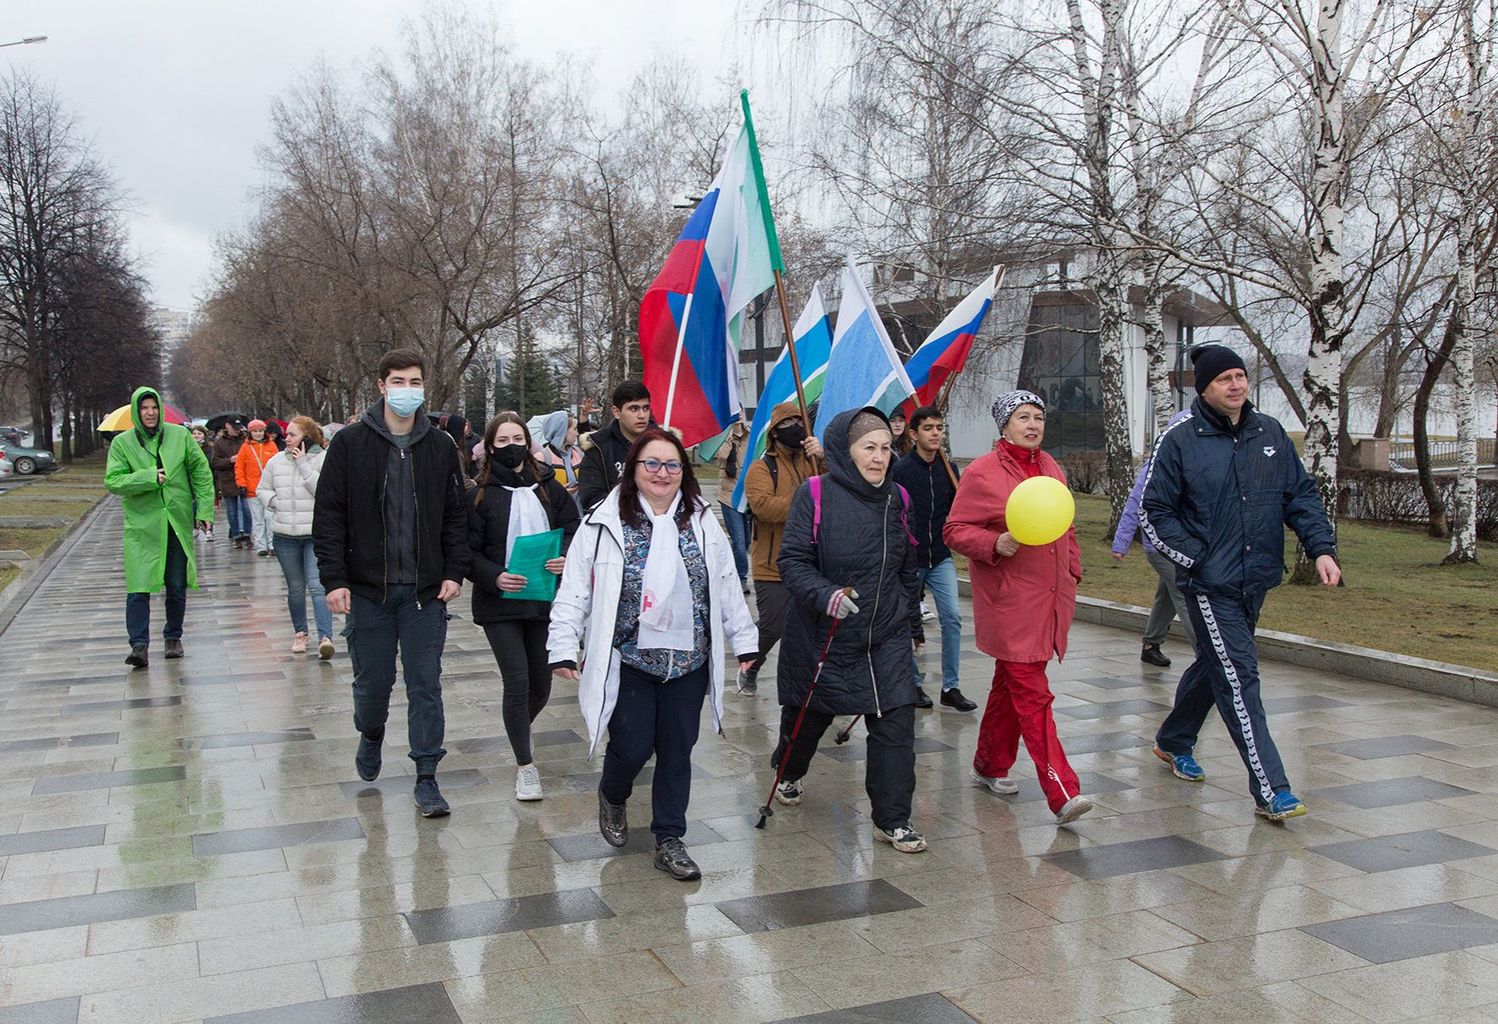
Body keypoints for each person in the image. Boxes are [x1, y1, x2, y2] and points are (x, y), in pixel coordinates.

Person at [548, 428, 758, 880]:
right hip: (630, 661)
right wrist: (562, 645)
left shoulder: (702, 521)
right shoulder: (603, 523)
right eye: (652, 464)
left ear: (683, 472)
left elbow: (724, 586)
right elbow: (574, 593)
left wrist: (745, 641)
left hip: (688, 661)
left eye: (672, 465)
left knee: (678, 750)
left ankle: (670, 838)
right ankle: (613, 791)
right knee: (632, 747)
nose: (662, 473)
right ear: (633, 470)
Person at [1142, 344, 1341, 821]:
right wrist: (1197, 560)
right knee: (1239, 677)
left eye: (1240, 376)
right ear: (1204, 388)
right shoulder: (1180, 438)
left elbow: (1300, 496)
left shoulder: (1268, 431)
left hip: (1256, 578)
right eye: (1223, 379)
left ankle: (1173, 739)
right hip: (1209, 584)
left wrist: (1322, 548)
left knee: (1220, 664)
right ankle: (1272, 790)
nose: (1235, 385)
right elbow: (1155, 512)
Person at [313, 349, 471, 818]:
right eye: (398, 381)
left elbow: (456, 517)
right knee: (373, 685)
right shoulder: (351, 443)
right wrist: (334, 579)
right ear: (381, 386)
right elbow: (329, 517)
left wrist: (453, 571)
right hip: (368, 591)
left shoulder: (441, 447)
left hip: (424, 594)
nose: (408, 389)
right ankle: (372, 731)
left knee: (425, 684)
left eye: (415, 381)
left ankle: (427, 775)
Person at [770, 407, 927, 852]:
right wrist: (827, 595)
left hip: (887, 634)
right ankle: (789, 771)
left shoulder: (899, 498)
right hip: (827, 635)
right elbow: (792, 562)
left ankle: (892, 818)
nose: (879, 457)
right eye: (868, 448)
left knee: (896, 723)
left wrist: (912, 627)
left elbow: (907, 568)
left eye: (885, 448)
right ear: (845, 450)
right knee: (807, 722)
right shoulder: (814, 493)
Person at [945, 390, 1094, 826]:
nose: (1033, 425)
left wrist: (1073, 571)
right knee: (1032, 692)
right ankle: (1062, 790)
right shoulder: (982, 473)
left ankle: (989, 763)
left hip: (1049, 598)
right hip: (1009, 602)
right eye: (1023, 417)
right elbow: (954, 530)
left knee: (1010, 686)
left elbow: (1064, 525)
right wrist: (994, 542)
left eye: (1039, 417)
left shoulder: (1051, 467)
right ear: (1004, 424)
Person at [468, 412, 580, 801]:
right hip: (499, 602)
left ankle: (517, 726)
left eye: (518, 437)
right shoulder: (479, 493)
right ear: (490, 446)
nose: (512, 445)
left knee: (541, 683)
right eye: (502, 440)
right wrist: (494, 575)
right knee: (516, 680)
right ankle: (525, 765)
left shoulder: (550, 485)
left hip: (544, 598)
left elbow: (573, 528)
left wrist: (565, 555)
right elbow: (467, 550)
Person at [105, 387, 214, 667]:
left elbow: (201, 472)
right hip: (142, 528)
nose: (150, 413)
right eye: (144, 408)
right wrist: (148, 477)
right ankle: (138, 645)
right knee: (138, 587)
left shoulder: (180, 436)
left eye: (154, 407)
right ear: (135, 412)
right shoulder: (122, 443)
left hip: (176, 523)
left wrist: (203, 509)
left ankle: (173, 637)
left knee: (176, 586)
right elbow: (113, 481)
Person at [892, 405, 976, 713]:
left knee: (952, 617)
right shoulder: (901, 470)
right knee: (905, 622)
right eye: (929, 428)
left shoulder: (949, 468)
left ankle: (950, 687)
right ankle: (912, 684)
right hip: (910, 560)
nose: (936, 434)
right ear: (914, 434)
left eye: (939, 428)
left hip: (940, 556)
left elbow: (959, 511)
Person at [739, 402, 824, 695]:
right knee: (773, 625)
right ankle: (751, 664)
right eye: (789, 425)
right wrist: (806, 503)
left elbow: (837, 487)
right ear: (775, 433)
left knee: (812, 629)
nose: (797, 430)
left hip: (812, 562)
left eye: (800, 424)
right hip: (772, 563)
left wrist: (823, 459)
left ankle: (812, 681)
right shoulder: (762, 468)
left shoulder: (812, 461)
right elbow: (763, 507)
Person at [1112, 409, 1197, 667]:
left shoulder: (1195, 460)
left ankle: (1151, 644)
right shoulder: (1158, 464)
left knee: (1168, 595)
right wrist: (1121, 542)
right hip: (1159, 546)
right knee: (1186, 593)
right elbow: (1135, 501)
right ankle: (1208, 656)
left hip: (1183, 544)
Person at [259, 416, 335, 659]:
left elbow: (323, 492)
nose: (287, 438)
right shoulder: (275, 461)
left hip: (315, 535)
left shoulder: (323, 459)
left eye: (292, 434)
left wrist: (303, 464)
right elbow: (262, 489)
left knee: (317, 586)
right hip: (284, 536)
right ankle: (300, 633)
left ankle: (325, 636)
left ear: (307, 436)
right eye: (287, 434)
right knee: (294, 588)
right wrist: (274, 502)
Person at [577, 381, 652, 511]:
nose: (642, 415)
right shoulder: (598, 447)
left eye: (645, 408)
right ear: (616, 412)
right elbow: (591, 497)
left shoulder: (664, 445)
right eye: (633, 409)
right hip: (615, 524)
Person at [714, 417, 751, 592]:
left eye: (741, 412)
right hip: (728, 495)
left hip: (747, 495)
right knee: (738, 539)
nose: (739, 416)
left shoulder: (750, 435)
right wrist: (730, 435)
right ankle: (740, 578)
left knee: (746, 541)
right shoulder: (723, 436)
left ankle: (729, 566)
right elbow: (721, 456)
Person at [235, 419, 280, 557]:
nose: (258, 434)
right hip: (252, 489)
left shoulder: (272, 446)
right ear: (250, 432)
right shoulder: (245, 448)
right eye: (255, 431)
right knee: (258, 519)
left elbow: (278, 465)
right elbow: (239, 467)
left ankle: (272, 544)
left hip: (269, 489)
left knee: (270, 517)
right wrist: (241, 484)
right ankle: (261, 546)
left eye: (260, 431)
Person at [211, 419, 250, 547]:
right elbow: (215, 463)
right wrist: (230, 460)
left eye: (239, 427)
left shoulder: (246, 440)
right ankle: (236, 536)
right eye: (234, 427)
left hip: (245, 479)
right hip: (228, 480)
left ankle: (248, 534)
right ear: (227, 426)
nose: (237, 430)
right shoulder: (219, 443)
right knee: (232, 511)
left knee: (247, 509)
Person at [537, 409, 584, 499]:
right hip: (556, 510)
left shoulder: (579, 453)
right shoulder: (542, 458)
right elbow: (537, 492)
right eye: (574, 429)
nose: (577, 433)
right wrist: (557, 493)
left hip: (581, 511)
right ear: (562, 432)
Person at [190, 426, 215, 541]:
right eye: (194, 433)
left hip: (206, 481)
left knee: (206, 505)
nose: (196, 435)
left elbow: (212, 464)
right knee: (194, 506)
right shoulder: (188, 448)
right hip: (191, 482)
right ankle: (195, 525)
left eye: (199, 433)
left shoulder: (209, 449)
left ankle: (209, 529)